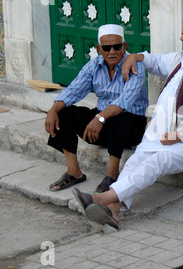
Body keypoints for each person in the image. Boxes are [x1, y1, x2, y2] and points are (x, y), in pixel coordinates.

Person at [72, 13, 183, 229]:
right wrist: (134, 57)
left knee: (158, 162)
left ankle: (101, 199)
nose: (181, 37)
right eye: (182, 33)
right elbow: (154, 61)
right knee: (135, 162)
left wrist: (180, 135)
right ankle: (113, 210)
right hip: (163, 134)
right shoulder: (180, 59)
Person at [45, 24, 148, 193]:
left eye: (117, 46)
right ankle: (74, 172)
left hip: (131, 126)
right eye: (107, 48)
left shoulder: (135, 66)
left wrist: (100, 118)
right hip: (103, 124)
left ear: (125, 46)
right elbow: (73, 90)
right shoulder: (94, 66)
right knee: (64, 113)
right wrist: (53, 110)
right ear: (99, 49)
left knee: (121, 117)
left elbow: (125, 101)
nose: (112, 51)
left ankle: (112, 175)